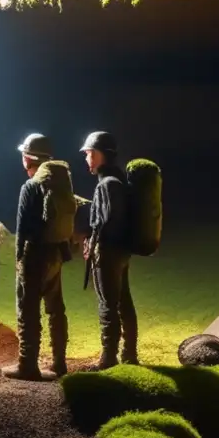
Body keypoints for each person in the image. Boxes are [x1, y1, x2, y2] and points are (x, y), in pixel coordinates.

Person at [3, 133, 71, 381]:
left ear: (28, 158)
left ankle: (27, 365)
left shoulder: (30, 186)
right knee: (55, 310)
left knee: (27, 310)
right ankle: (59, 363)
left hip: (35, 256)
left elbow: (22, 230)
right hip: (56, 254)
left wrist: (19, 258)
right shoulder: (61, 182)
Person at [81, 131, 138, 370]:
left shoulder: (106, 185)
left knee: (108, 304)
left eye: (89, 153)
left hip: (108, 254)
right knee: (123, 301)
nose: (87, 158)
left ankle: (108, 358)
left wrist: (93, 246)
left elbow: (105, 223)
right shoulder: (118, 181)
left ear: (100, 154)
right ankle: (129, 354)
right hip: (121, 252)